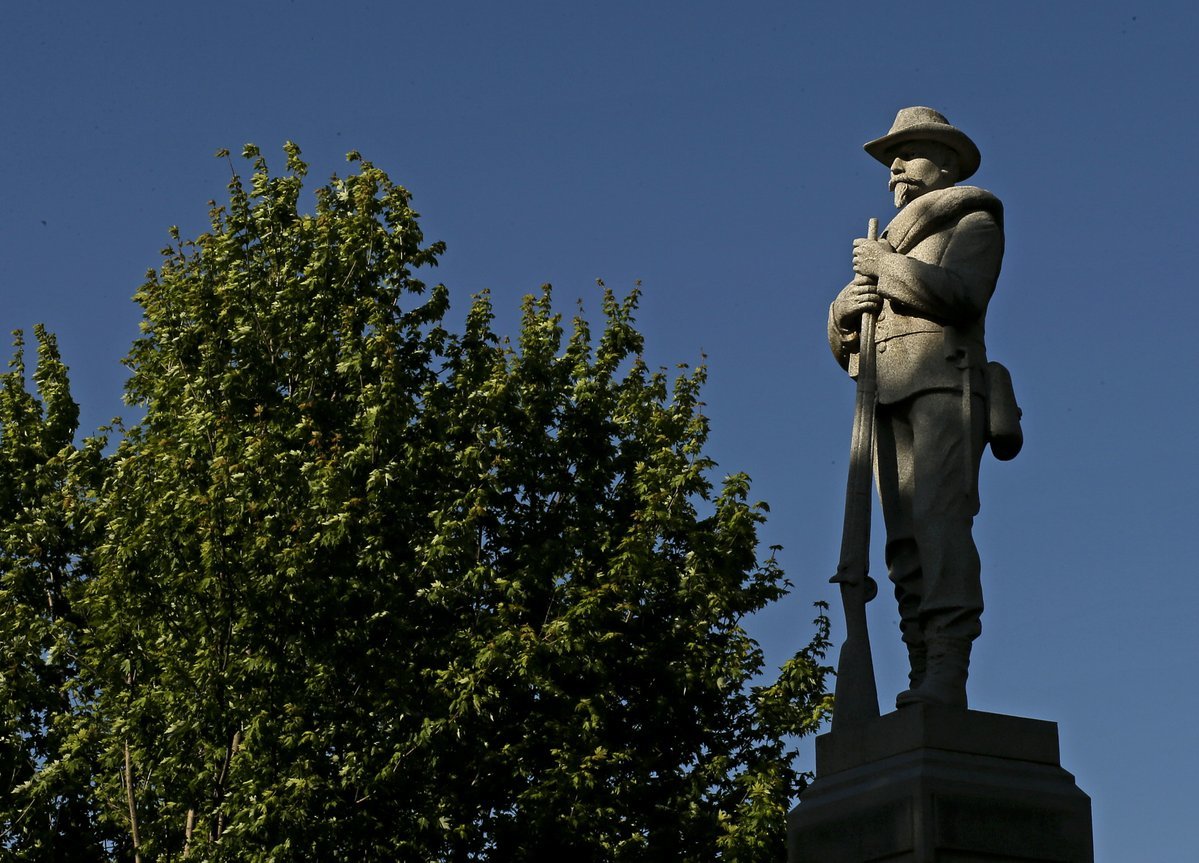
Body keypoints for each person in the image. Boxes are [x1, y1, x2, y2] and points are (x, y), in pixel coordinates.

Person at [828, 107, 1005, 709]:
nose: (895, 168)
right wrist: (843, 313)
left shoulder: (973, 221)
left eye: (908, 152)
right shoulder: (885, 242)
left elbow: (962, 295)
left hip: (943, 385)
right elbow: (846, 341)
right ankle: (920, 666)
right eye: (889, 160)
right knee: (902, 542)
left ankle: (948, 668)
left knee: (939, 527)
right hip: (883, 395)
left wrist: (885, 269)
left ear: (947, 162)